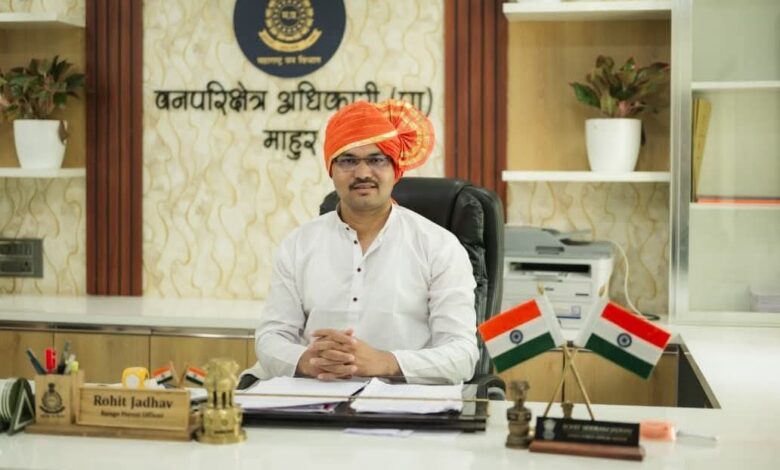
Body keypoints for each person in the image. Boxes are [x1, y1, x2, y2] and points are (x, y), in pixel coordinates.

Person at [243, 99, 478, 385]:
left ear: (395, 169)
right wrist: (306, 360)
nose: (363, 173)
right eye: (348, 160)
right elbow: (271, 337)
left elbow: (463, 356)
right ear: (331, 170)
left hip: (404, 402)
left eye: (377, 160)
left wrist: (386, 363)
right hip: (312, 397)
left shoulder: (439, 246)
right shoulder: (298, 244)